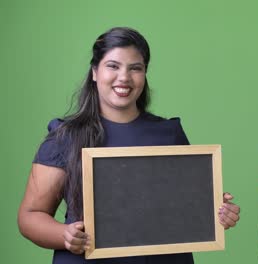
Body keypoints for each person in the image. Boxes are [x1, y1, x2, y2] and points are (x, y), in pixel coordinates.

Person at [17, 27, 240, 264]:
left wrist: (217, 214)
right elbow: (30, 216)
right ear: (94, 72)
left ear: (144, 74)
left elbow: (188, 210)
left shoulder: (169, 134)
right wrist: (64, 235)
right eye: (113, 66)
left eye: (135, 68)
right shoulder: (65, 137)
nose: (124, 77)